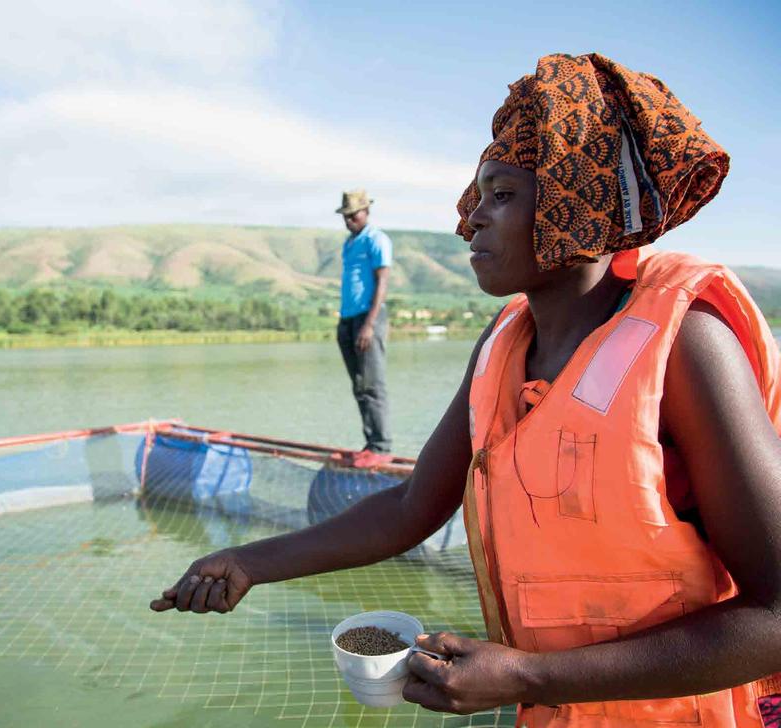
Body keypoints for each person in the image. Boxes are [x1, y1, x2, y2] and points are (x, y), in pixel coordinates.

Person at [150, 53, 781, 727]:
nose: (471, 218)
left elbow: (774, 616)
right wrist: (247, 564)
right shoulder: (499, 348)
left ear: (577, 200)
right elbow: (410, 507)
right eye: (477, 195)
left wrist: (529, 674)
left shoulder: (686, 345)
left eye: (501, 195)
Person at [334, 189, 394, 465]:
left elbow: (382, 281)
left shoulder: (376, 239)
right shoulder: (349, 242)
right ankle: (370, 443)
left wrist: (369, 325)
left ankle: (381, 447)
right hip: (348, 319)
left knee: (373, 384)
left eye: (353, 215)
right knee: (359, 385)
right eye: (345, 217)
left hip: (368, 318)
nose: (349, 221)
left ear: (366, 212)